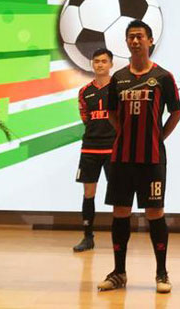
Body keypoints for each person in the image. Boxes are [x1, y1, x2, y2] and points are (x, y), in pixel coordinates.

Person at [97, 20, 180, 293]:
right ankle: (119, 272)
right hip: (122, 159)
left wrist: (158, 136)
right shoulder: (118, 78)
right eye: (131, 37)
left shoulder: (163, 77)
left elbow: (176, 112)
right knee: (120, 212)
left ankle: (161, 273)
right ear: (126, 42)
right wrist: (125, 133)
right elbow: (111, 113)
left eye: (140, 37)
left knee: (154, 213)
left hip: (152, 159)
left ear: (150, 41)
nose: (135, 41)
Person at [73, 49, 116, 252]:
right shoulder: (84, 91)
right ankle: (88, 237)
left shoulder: (118, 88)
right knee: (88, 193)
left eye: (104, 61)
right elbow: (85, 117)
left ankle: (119, 237)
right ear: (92, 64)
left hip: (113, 147)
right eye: (97, 61)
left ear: (111, 64)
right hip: (90, 148)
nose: (100, 64)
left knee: (117, 194)